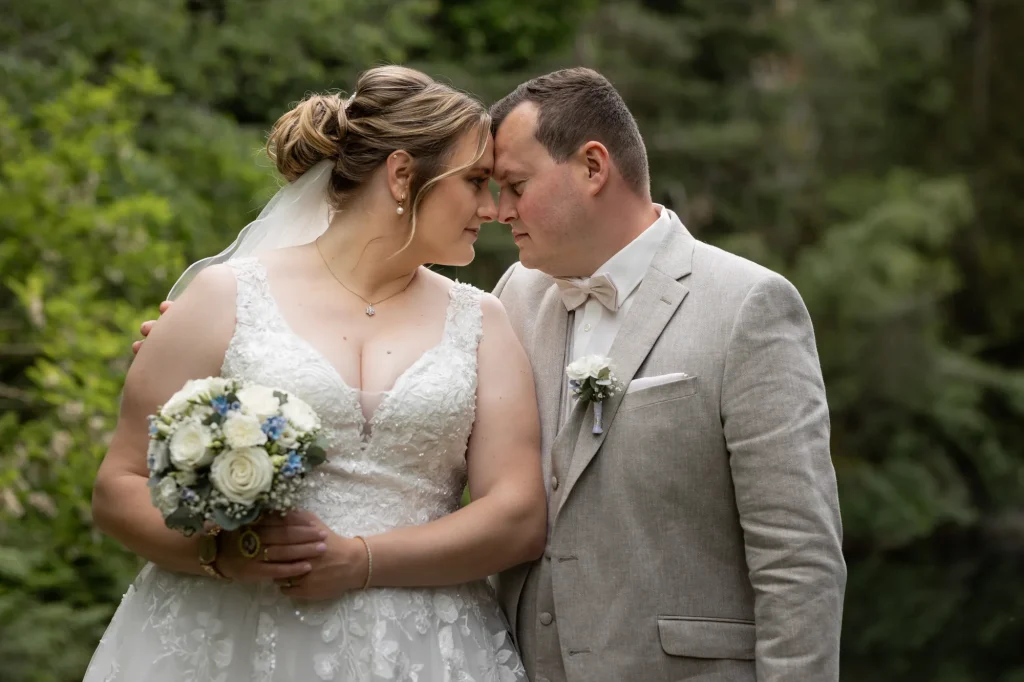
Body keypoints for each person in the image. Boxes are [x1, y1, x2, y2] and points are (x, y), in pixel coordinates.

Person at [86, 65, 545, 682]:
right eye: (477, 182)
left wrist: (363, 560)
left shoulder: (482, 320)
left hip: (424, 650)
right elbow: (119, 484)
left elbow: (516, 513)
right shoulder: (226, 297)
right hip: (228, 641)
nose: (492, 208)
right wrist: (221, 553)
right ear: (404, 175)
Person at [487, 68, 846, 681]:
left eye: (515, 186)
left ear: (593, 167)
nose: (500, 211)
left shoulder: (748, 305)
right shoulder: (513, 298)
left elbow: (798, 555)